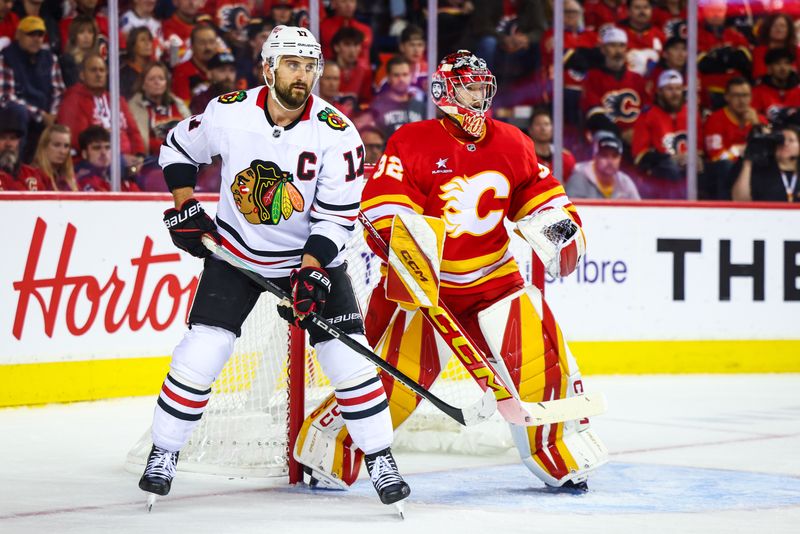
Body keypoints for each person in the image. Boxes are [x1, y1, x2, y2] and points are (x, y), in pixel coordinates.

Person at [295, 50, 607, 494]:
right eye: (468, 86)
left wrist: (562, 231)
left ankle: (558, 448)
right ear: (444, 90)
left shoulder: (513, 141)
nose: (477, 95)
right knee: (399, 381)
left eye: (482, 87)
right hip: (428, 288)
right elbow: (386, 202)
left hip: (496, 281)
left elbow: (537, 195)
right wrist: (404, 253)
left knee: (536, 361)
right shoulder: (413, 140)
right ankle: (332, 445)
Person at [137, 25, 410, 509]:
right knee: (202, 352)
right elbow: (178, 147)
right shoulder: (230, 112)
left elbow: (336, 216)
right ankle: (164, 452)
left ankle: (381, 458)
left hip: (311, 258)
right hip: (237, 253)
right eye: (292, 64)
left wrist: (310, 270)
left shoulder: (338, 134)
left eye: (309, 66)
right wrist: (184, 205)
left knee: (348, 361)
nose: (302, 75)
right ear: (269, 67)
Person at [56, 53, 145, 168]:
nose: (98, 74)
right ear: (82, 75)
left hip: (129, 160)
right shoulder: (73, 100)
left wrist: (139, 156)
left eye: (102, 70)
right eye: (93, 70)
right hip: (92, 162)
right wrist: (119, 159)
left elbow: (134, 132)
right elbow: (78, 141)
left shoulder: (117, 99)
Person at [0, 16, 65, 158]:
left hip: (46, 115)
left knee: (65, 115)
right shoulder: (6, 57)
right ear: (18, 35)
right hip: (16, 116)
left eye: (40, 35)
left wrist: (53, 115)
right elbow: (5, 96)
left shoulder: (50, 58)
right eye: (31, 34)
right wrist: (41, 115)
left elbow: (59, 92)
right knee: (19, 112)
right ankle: (16, 165)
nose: (36, 39)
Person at [581, 26, 649, 144]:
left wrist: (637, 132)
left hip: (636, 134)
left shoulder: (637, 79)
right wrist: (621, 133)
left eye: (621, 46)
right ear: (602, 49)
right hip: (608, 134)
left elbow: (648, 112)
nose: (618, 51)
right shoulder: (593, 77)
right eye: (612, 45)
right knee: (606, 138)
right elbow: (594, 115)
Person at [702, 77, 766, 199]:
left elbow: (768, 151)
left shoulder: (759, 119)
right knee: (725, 165)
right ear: (727, 97)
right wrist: (739, 151)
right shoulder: (715, 119)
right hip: (725, 171)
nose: (742, 101)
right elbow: (716, 156)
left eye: (745, 95)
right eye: (736, 96)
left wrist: (757, 126)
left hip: (752, 168)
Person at [633, 70, 691, 184]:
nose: (675, 93)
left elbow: (700, 149)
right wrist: (668, 158)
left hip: (688, 165)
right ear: (659, 91)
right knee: (670, 168)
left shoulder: (691, 113)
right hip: (661, 168)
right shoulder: (647, 115)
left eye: (678, 88)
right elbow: (639, 155)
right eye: (669, 89)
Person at [128, 62, 190, 158]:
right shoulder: (134, 107)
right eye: (152, 79)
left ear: (166, 83)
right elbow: (141, 141)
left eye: (161, 78)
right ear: (143, 84)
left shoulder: (178, 104)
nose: (157, 82)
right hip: (153, 160)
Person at [732, 126, 800, 202]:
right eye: (781, 140)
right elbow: (740, 200)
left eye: (791, 140)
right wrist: (747, 163)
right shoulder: (761, 171)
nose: (785, 143)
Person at [567, 132, 641, 199]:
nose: (610, 161)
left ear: (620, 159)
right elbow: (570, 211)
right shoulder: (579, 177)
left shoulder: (625, 182)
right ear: (595, 157)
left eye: (614, 156)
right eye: (604, 156)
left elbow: (639, 211)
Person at [370, 55, 425, 138]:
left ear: (411, 76)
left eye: (405, 75)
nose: (401, 79)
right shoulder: (377, 107)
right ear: (388, 77)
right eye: (396, 75)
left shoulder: (422, 107)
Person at [74, 125, 140, 191]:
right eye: (97, 148)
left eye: (107, 147)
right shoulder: (83, 181)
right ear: (84, 154)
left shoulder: (117, 178)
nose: (103, 152)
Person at [0, 104, 48, 190]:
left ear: (19, 142)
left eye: (13, 138)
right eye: (3, 138)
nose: (8, 144)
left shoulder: (32, 174)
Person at [171, 23, 219, 103]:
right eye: (202, 43)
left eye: (211, 42)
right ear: (192, 46)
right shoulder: (182, 71)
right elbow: (184, 106)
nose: (208, 47)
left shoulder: (223, 68)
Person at [527, 108, 576, 183]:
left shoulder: (565, 158)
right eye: (538, 124)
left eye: (546, 124)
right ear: (530, 130)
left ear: (552, 128)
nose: (543, 128)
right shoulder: (526, 158)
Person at [620, 0, 666, 77]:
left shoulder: (659, 35)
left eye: (646, 7)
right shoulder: (618, 32)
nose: (642, 11)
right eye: (637, 7)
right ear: (628, 11)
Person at [332, 26, 373, 110]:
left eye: (356, 45)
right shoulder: (325, 70)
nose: (352, 50)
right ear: (336, 47)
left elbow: (367, 102)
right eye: (347, 44)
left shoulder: (365, 72)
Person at [31, 123, 77, 191]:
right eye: (57, 145)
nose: (62, 151)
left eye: (66, 146)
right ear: (44, 146)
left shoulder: (70, 177)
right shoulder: (32, 175)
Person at [59, 14, 100, 87]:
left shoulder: (99, 61)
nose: (86, 36)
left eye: (90, 32)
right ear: (74, 36)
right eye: (81, 32)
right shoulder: (67, 60)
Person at [120, 27, 154, 99]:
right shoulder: (124, 74)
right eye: (142, 40)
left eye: (149, 40)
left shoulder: (155, 69)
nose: (147, 43)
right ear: (133, 45)